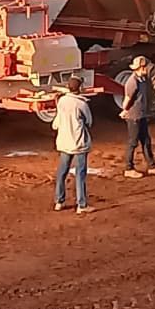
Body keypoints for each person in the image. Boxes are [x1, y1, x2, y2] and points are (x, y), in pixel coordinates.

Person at [120, 56, 155, 179]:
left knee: (146, 141)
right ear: (141, 67)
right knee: (133, 142)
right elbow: (128, 98)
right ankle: (128, 168)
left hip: (141, 115)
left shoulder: (143, 79)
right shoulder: (133, 81)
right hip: (134, 116)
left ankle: (152, 166)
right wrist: (125, 110)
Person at [51, 76, 94, 214]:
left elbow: (55, 124)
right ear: (79, 88)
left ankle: (59, 201)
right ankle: (81, 205)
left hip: (64, 142)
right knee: (80, 174)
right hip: (79, 143)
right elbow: (89, 122)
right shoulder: (82, 104)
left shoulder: (62, 101)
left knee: (62, 173)